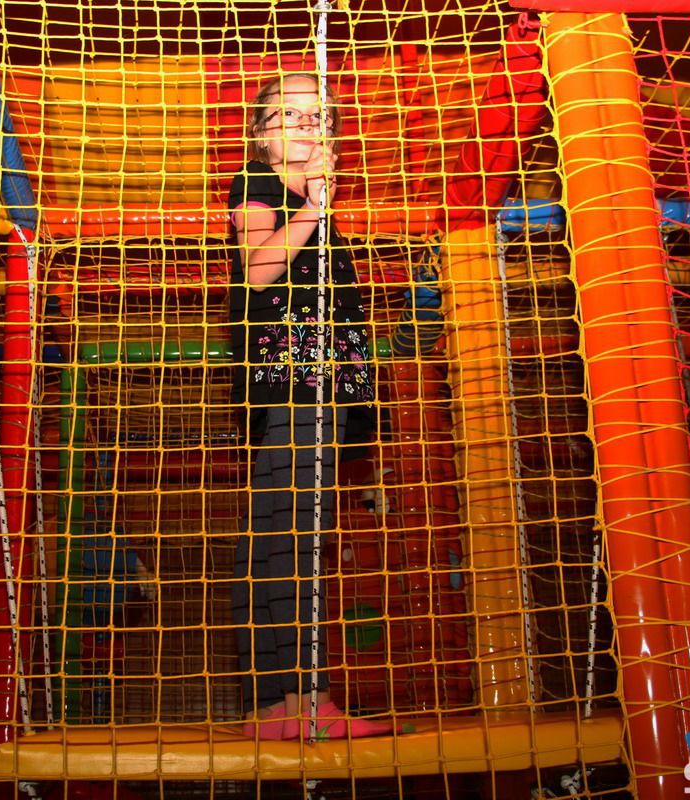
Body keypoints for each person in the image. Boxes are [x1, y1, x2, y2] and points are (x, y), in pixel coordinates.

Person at [227, 72, 390, 741]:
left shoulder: (308, 200)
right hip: (293, 381)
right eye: (287, 114)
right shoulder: (258, 185)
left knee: (288, 535)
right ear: (261, 135)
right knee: (288, 535)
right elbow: (258, 268)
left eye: (316, 115)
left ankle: (286, 700)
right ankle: (293, 699)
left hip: (318, 381)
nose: (303, 124)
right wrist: (316, 207)